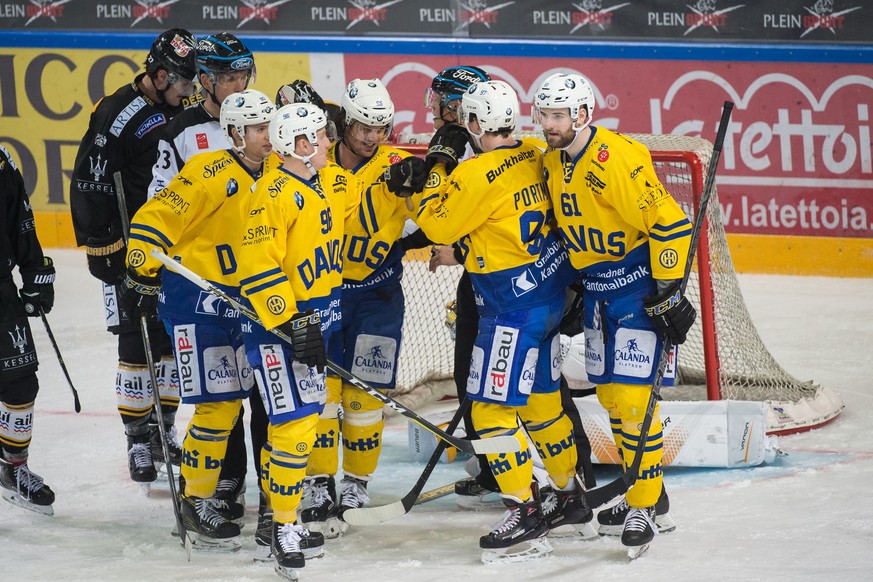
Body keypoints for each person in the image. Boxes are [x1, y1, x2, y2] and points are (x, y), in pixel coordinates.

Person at [395, 80, 587, 563]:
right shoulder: (531, 154)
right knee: (543, 405)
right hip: (548, 299)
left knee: (489, 413)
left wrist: (434, 172)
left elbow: (437, 225)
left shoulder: (475, 173)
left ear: (475, 124)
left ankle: (525, 511)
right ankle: (568, 492)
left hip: (509, 312)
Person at [533, 72, 691, 556]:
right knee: (612, 399)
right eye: (544, 115)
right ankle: (650, 494)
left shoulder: (616, 159)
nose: (549, 124)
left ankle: (642, 505)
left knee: (634, 399)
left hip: (637, 295)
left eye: (558, 115)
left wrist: (666, 294)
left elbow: (670, 222)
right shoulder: (555, 160)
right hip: (599, 298)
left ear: (582, 114)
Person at [121, 89, 281, 550]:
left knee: (264, 405)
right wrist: (140, 264)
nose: (267, 136)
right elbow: (156, 217)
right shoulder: (207, 172)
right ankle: (196, 500)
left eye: (270, 126)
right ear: (235, 133)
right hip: (196, 304)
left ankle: (267, 500)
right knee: (218, 406)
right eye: (257, 129)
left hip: (244, 302)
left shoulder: (274, 173)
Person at [236, 102, 361, 578]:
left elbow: (356, 196)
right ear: (304, 146)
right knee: (291, 425)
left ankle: (278, 520)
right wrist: (291, 323)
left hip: (312, 326)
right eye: (323, 137)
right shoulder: (271, 194)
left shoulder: (320, 182)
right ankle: (283, 525)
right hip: (277, 333)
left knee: (304, 424)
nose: (331, 142)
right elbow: (258, 268)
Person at [69, 28, 198, 488]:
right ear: (160, 75)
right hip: (129, 249)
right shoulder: (116, 113)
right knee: (134, 341)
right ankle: (137, 439)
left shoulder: (182, 110)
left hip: (173, 249)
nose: (191, 89)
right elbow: (89, 180)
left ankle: (163, 430)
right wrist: (103, 246)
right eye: (184, 81)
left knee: (168, 342)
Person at [147, 30, 260, 526]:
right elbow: (162, 205)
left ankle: (271, 492)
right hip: (201, 288)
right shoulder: (180, 133)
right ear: (207, 80)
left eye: (242, 76)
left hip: (256, 283)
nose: (237, 86)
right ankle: (216, 489)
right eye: (228, 77)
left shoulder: (263, 123)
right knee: (219, 398)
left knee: (261, 393)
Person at [299, 78, 414, 538]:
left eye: (381, 128)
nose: (371, 137)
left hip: (378, 297)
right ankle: (320, 481)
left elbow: (433, 214)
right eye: (364, 126)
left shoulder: (396, 165)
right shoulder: (316, 163)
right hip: (324, 294)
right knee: (322, 395)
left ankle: (356, 483)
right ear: (344, 122)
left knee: (365, 398)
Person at [0, 146, 56, 515]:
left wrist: (37, 274)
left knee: (21, 383)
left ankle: (13, 467)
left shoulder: (2, 163)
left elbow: (21, 220)